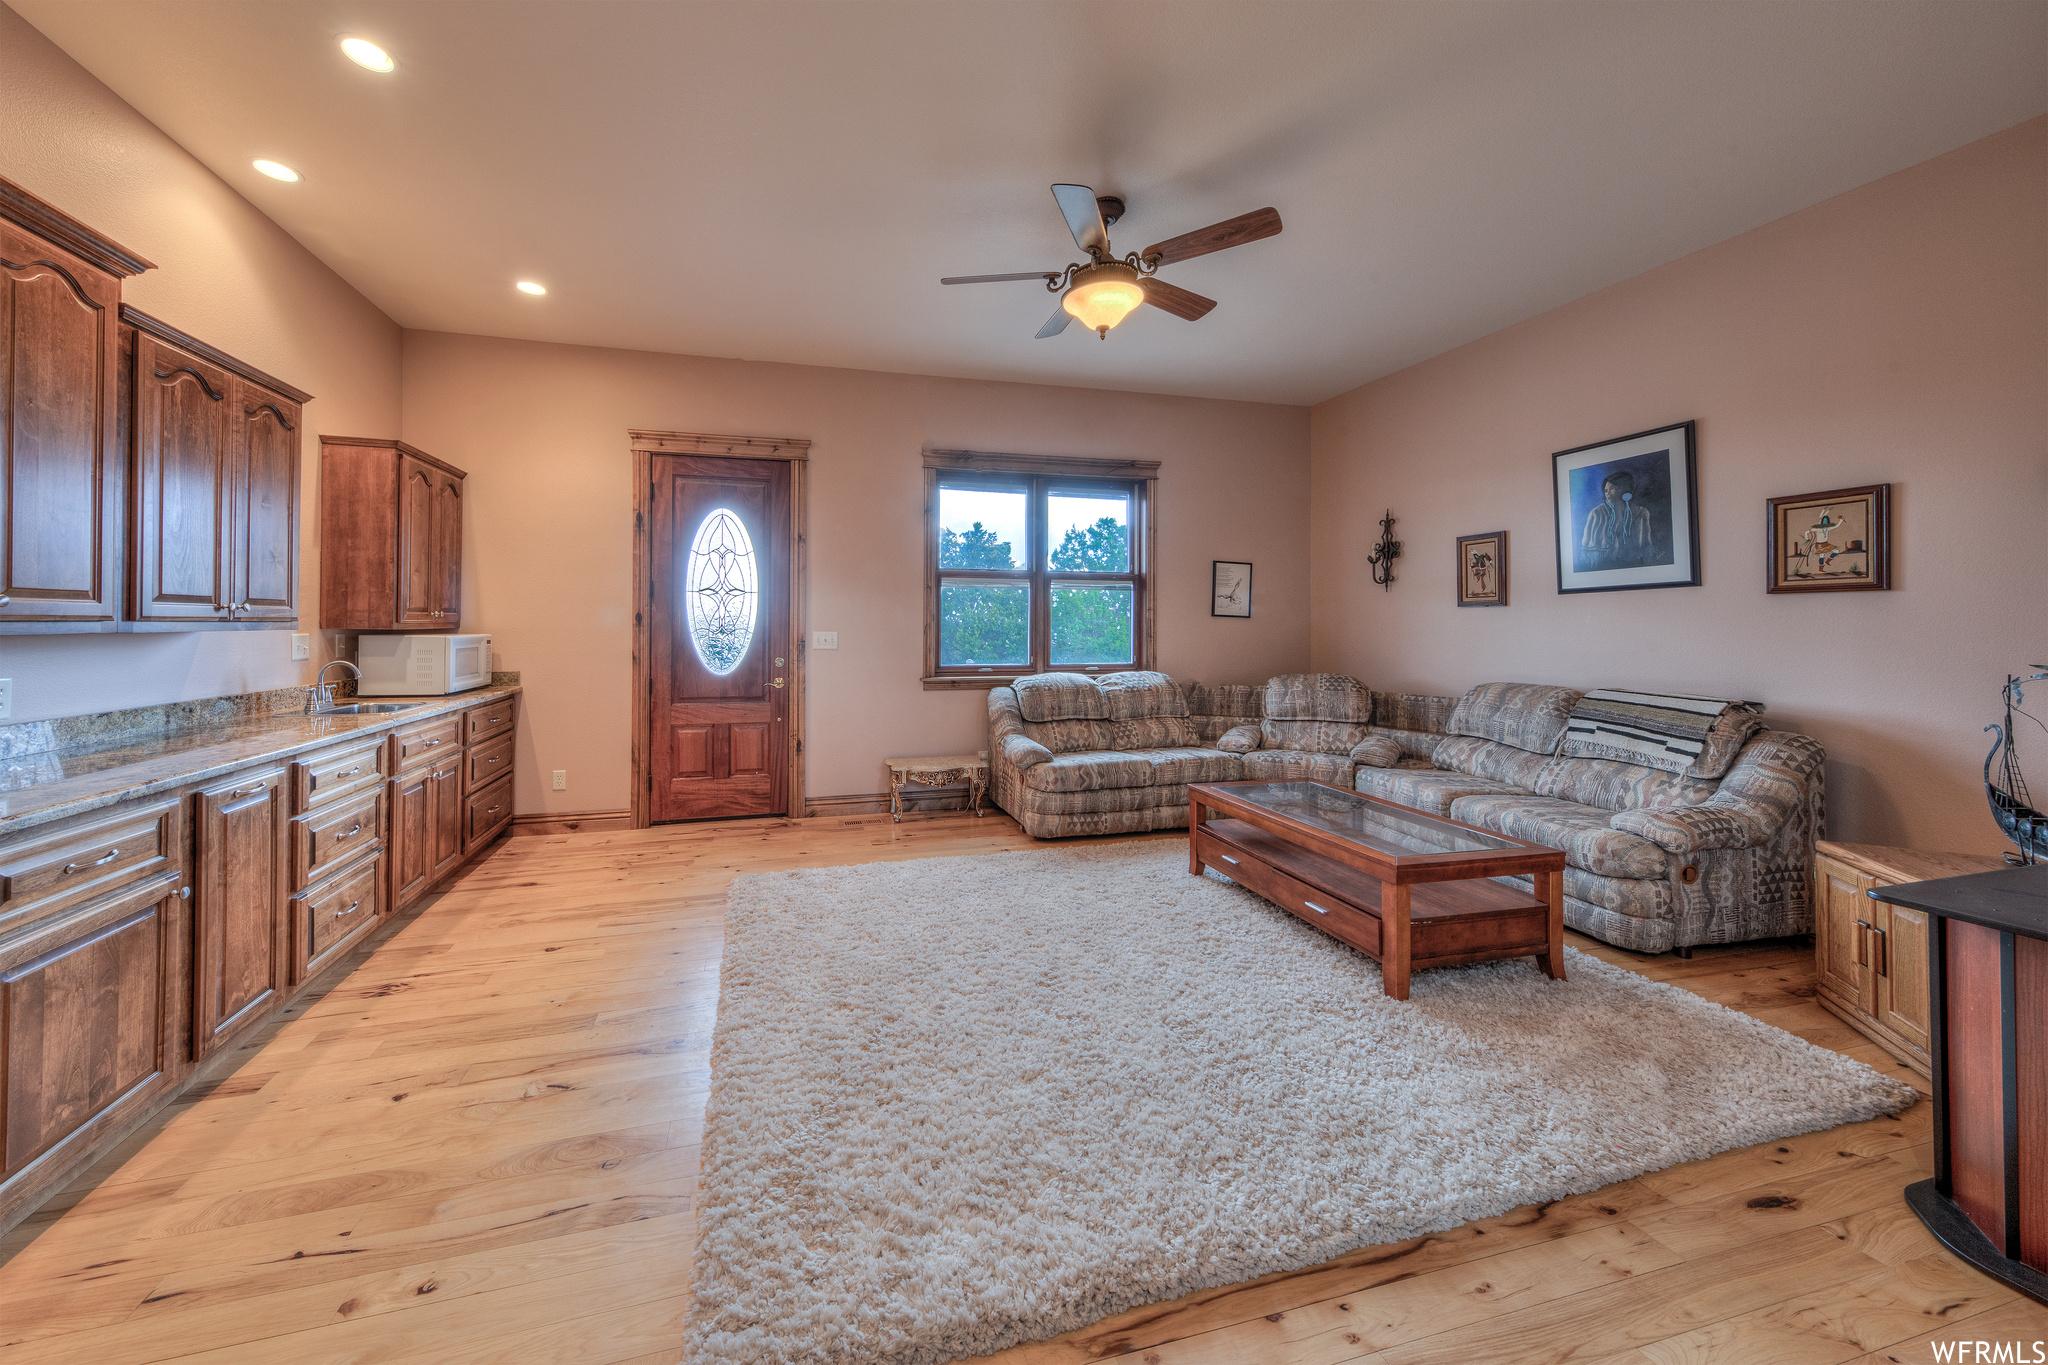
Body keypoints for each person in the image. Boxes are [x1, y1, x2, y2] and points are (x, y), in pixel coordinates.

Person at [1581, 470, 1653, 569]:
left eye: (1612, 488)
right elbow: (1588, 554)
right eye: (1606, 490)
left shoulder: (1641, 513)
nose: (1608, 493)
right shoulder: (1597, 514)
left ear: (1624, 489)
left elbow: (1647, 547)